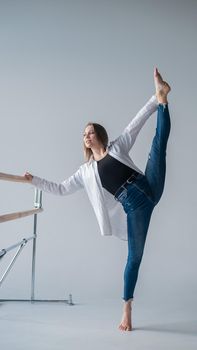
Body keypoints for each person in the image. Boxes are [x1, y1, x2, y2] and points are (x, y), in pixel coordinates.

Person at [24, 68, 171, 331]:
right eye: (84, 134)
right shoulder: (86, 172)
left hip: (148, 186)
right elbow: (60, 188)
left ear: (99, 135)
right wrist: (33, 180)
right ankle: (127, 308)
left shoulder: (117, 146)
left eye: (90, 131)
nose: (87, 135)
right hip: (135, 206)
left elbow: (136, 122)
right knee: (134, 258)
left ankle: (162, 98)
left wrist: (153, 100)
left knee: (158, 146)